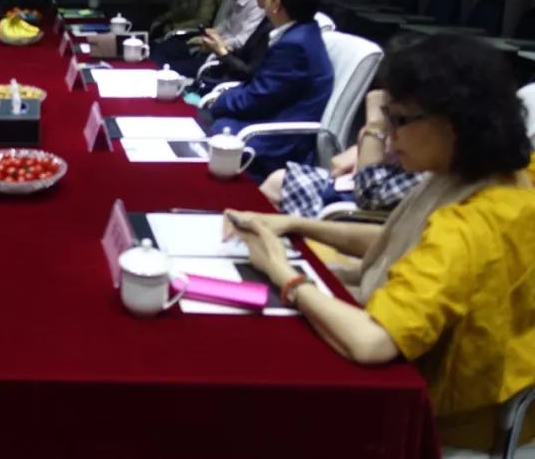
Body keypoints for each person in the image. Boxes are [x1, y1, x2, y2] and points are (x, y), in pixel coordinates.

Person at [223, 34, 535, 454]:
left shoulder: (471, 225)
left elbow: (372, 343)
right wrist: (295, 223)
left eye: (399, 119)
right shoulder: (492, 175)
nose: (386, 135)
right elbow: (401, 244)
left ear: (453, 123)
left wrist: (283, 273)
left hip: (442, 425)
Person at [204, 0, 333, 177]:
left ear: (276, 4)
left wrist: (220, 101)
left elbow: (257, 97)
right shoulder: (304, 32)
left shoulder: (294, 46)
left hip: (279, 140)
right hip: (274, 118)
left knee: (209, 125)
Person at [259, 88, 422, 217]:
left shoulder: (428, 175)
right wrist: (366, 144)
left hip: (360, 213)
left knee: (273, 195)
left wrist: (375, 125)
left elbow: (368, 196)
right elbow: (343, 162)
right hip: (352, 187)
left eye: (400, 120)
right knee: (277, 181)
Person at [195, 0, 299, 88]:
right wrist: (219, 46)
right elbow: (245, 53)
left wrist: (221, 50)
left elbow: (251, 74)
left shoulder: (277, 29)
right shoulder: (268, 20)